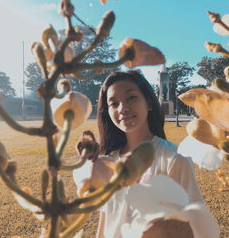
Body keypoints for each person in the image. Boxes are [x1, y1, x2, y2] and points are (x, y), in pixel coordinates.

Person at [74, 70, 219, 238]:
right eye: (114, 104)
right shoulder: (105, 161)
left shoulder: (174, 159)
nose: (123, 109)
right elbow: (106, 220)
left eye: (131, 97)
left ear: (149, 103)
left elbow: (194, 225)